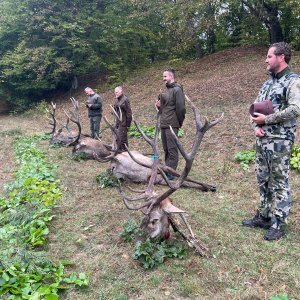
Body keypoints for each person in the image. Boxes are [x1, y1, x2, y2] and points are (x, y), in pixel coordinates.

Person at [242, 42, 300, 241]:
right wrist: (255, 126)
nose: (266, 60)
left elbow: (295, 109)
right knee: (263, 180)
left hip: (280, 141)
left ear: (281, 57)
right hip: (262, 140)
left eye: (269, 56)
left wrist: (266, 120)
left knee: (279, 182)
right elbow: (254, 109)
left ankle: (279, 223)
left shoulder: (293, 81)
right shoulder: (267, 83)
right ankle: (265, 216)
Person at [155, 68, 186, 180]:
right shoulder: (167, 90)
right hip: (164, 123)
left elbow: (181, 108)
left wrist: (178, 122)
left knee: (172, 149)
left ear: (171, 77)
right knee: (166, 149)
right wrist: (159, 106)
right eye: (163, 77)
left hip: (172, 125)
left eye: (165, 77)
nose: (163, 79)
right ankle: (167, 170)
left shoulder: (177, 90)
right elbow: (166, 108)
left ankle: (171, 173)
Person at [113, 86, 132, 152]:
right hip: (117, 123)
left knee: (122, 140)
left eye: (117, 92)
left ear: (121, 91)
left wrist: (127, 125)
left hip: (123, 124)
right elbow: (115, 110)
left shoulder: (125, 99)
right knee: (117, 139)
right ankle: (120, 154)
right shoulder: (116, 100)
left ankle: (125, 153)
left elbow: (129, 113)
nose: (116, 93)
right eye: (115, 92)